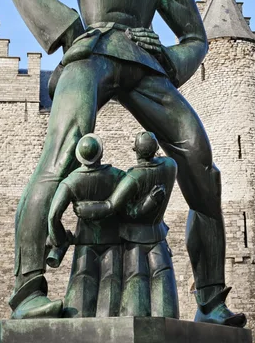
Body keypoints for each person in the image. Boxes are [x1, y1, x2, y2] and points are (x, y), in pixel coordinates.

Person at [6, 0, 246, 326]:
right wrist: (72, 31)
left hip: (143, 64)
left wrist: (174, 59)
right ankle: (28, 289)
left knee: (200, 161)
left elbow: (195, 36)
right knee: (62, 147)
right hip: (91, 54)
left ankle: (211, 299)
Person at [75, 131, 179, 318]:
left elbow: (110, 206)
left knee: (135, 283)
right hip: (158, 236)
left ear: (135, 151)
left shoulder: (134, 177)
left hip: (135, 241)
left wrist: (85, 209)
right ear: (156, 150)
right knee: (163, 283)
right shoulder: (171, 166)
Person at [47, 134, 124, 318]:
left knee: (81, 283)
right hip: (113, 241)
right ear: (100, 153)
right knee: (111, 283)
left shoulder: (72, 181)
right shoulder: (117, 176)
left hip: (84, 242)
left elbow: (53, 216)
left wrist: (60, 239)